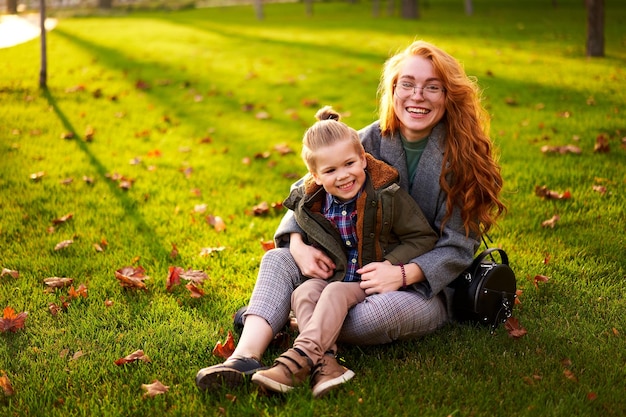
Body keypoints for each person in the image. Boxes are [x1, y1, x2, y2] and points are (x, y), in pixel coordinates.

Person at [196, 40, 506, 393]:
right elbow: (309, 187)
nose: (417, 96)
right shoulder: (369, 139)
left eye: (432, 87)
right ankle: (243, 358)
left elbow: (459, 247)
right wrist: (297, 244)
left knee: (372, 318)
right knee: (278, 260)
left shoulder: (463, 155)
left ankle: (290, 317)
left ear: (448, 95)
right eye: (407, 84)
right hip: (348, 270)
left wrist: (403, 273)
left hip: (423, 287)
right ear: (393, 89)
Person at [248, 106, 438, 397]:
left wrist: (391, 264)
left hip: (369, 280)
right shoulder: (314, 201)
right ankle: (328, 366)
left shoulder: (387, 195)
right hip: (336, 276)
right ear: (315, 176)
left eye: (350, 163)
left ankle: (298, 359)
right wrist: (298, 246)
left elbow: (423, 237)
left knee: (334, 293)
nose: (344, 176)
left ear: (363, 158)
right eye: (330, 170)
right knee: (303, 293)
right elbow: (296, 219)